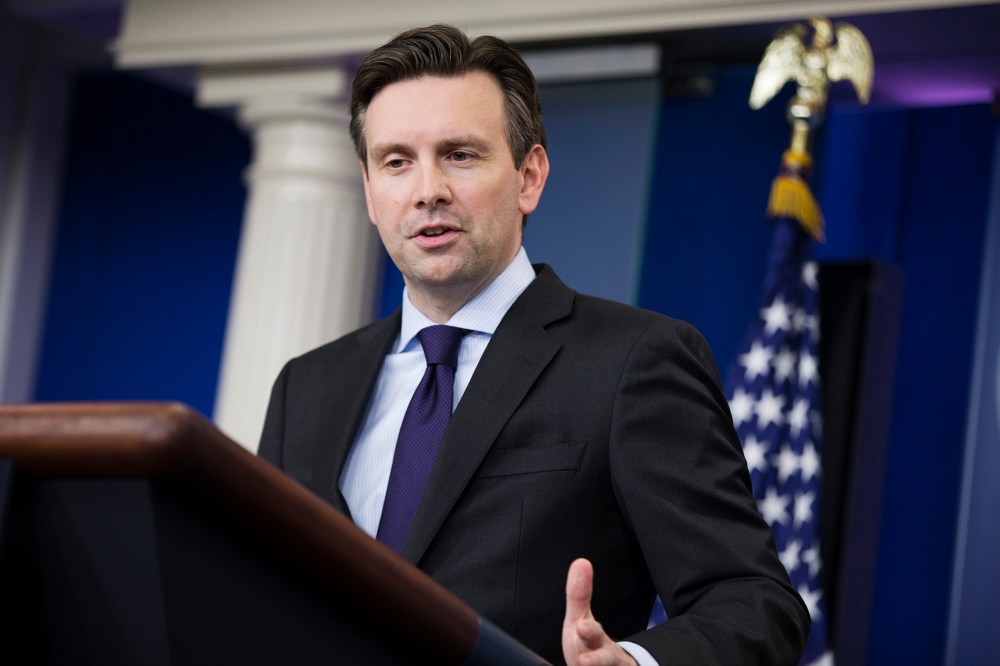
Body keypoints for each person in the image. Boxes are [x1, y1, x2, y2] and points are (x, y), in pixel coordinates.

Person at [259, 23, 809, 666]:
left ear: (529, 176)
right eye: (397, 161)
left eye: (460, 155)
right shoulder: (307, 385)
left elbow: (754, 602)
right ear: (371, 192)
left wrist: (635, 662)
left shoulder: (634, 361)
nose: (427, 189)